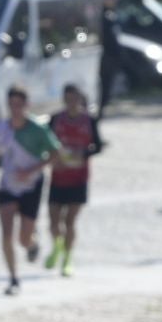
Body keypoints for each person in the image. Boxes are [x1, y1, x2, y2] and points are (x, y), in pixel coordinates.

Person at [0, 85, 59, 296]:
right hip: (7, 185)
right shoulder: (1, 129)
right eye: (12, 104)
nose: (15, 109)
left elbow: (55, 153)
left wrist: (32, 169)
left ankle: (32, 243)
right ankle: (13, 278)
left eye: (19, 104)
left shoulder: (37, 129)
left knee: (22, 238)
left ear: (26, 105)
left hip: (31, 186)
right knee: (6, 233)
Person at [45, 84, 104, 277]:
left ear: (80, 99)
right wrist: (54, 156)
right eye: (68, 98)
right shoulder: (55, 119)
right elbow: (45, 141)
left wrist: (83, 153)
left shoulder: (89, 120)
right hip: (58, 176)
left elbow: (98, 145)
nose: (71, 103)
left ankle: (67, 258)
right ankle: (57, 245)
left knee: (70, 221)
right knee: (54, 220)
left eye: (75, 99)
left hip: (79, 177)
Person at [97, 0, 121, 117]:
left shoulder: (110, 16)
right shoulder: (104, 17)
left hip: (109, 61)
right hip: (105, 61)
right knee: (102, 96)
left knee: (105, 96)